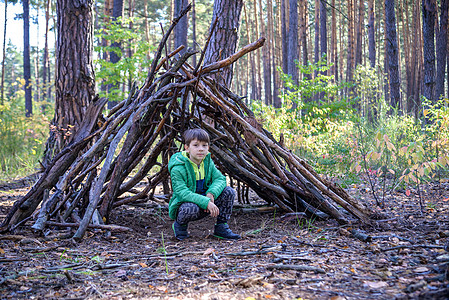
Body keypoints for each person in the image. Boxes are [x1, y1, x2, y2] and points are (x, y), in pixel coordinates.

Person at [168, 128, 241, 241]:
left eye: (204, 145)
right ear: (187, 148)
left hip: (207, 201)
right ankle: (180, 227)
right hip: (188, 205)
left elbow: (220, 179)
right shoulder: (178, 167)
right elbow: (182, 193)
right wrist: (205, 202)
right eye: (196, 145)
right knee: (189, 208)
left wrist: (211, 193)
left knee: (229, 192)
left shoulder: (207, 161)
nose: (201, 149)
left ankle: (221, 228)